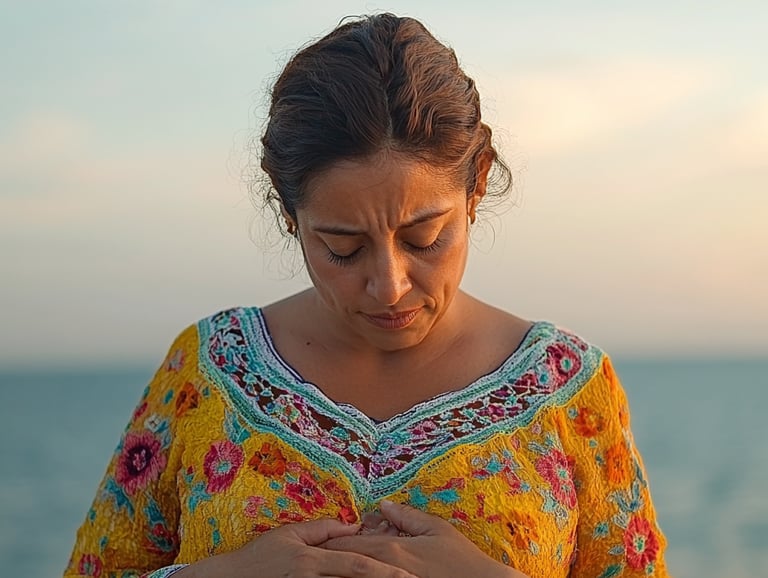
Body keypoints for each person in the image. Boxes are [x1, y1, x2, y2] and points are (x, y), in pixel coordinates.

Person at [64, 13, 669, 578]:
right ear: (289, 217)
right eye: (343, 249)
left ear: (477, 187)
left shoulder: (568, 392)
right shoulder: (208, 370)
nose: (390, 286)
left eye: (425, 239)